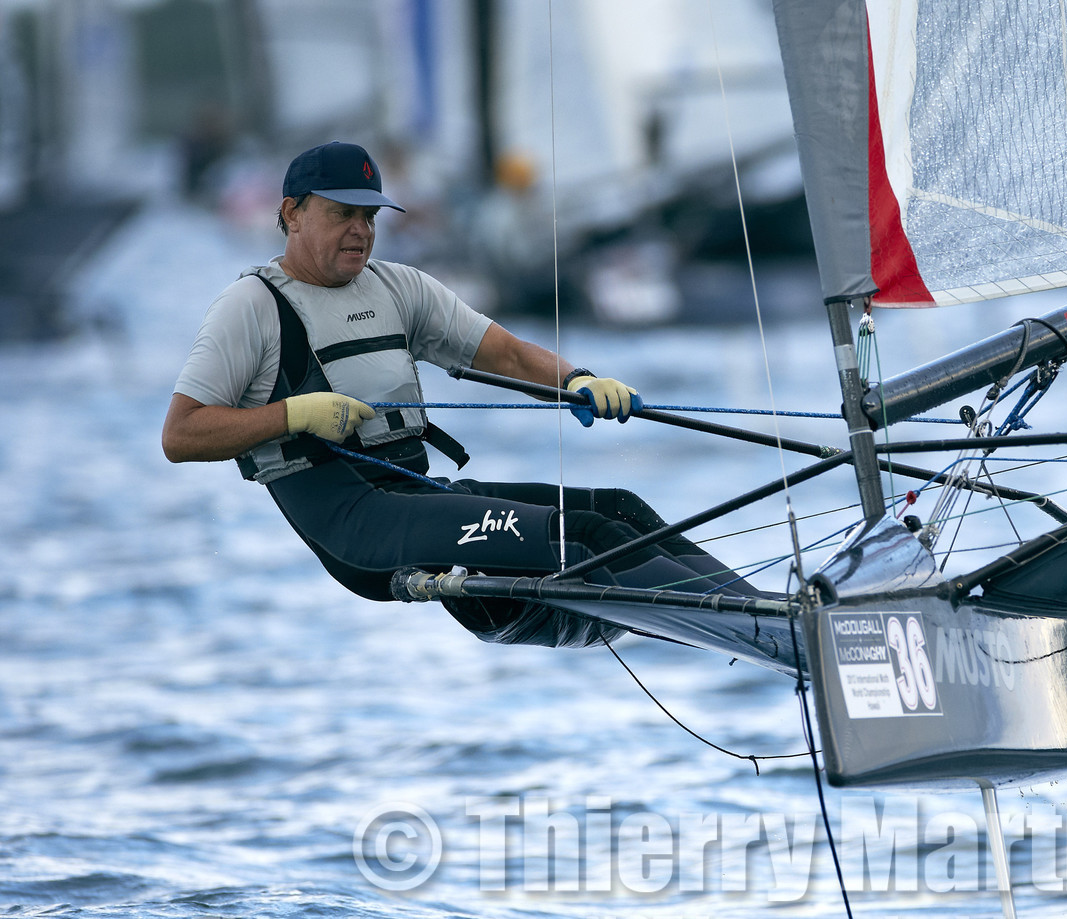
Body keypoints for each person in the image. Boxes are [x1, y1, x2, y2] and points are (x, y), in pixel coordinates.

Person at [163, 141, 756, 646]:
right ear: (291, 214)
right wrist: (293, 412)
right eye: (343, 213)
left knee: (618, 508)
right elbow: (181, 436)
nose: (361, 231)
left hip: (419, 497)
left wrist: (579, 380)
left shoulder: (400, 287)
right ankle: (752, 628)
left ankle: (767, 612)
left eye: (370, 217)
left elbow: (507, 354)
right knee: (587, 538)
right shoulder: (251, 308)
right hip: (357, 528)